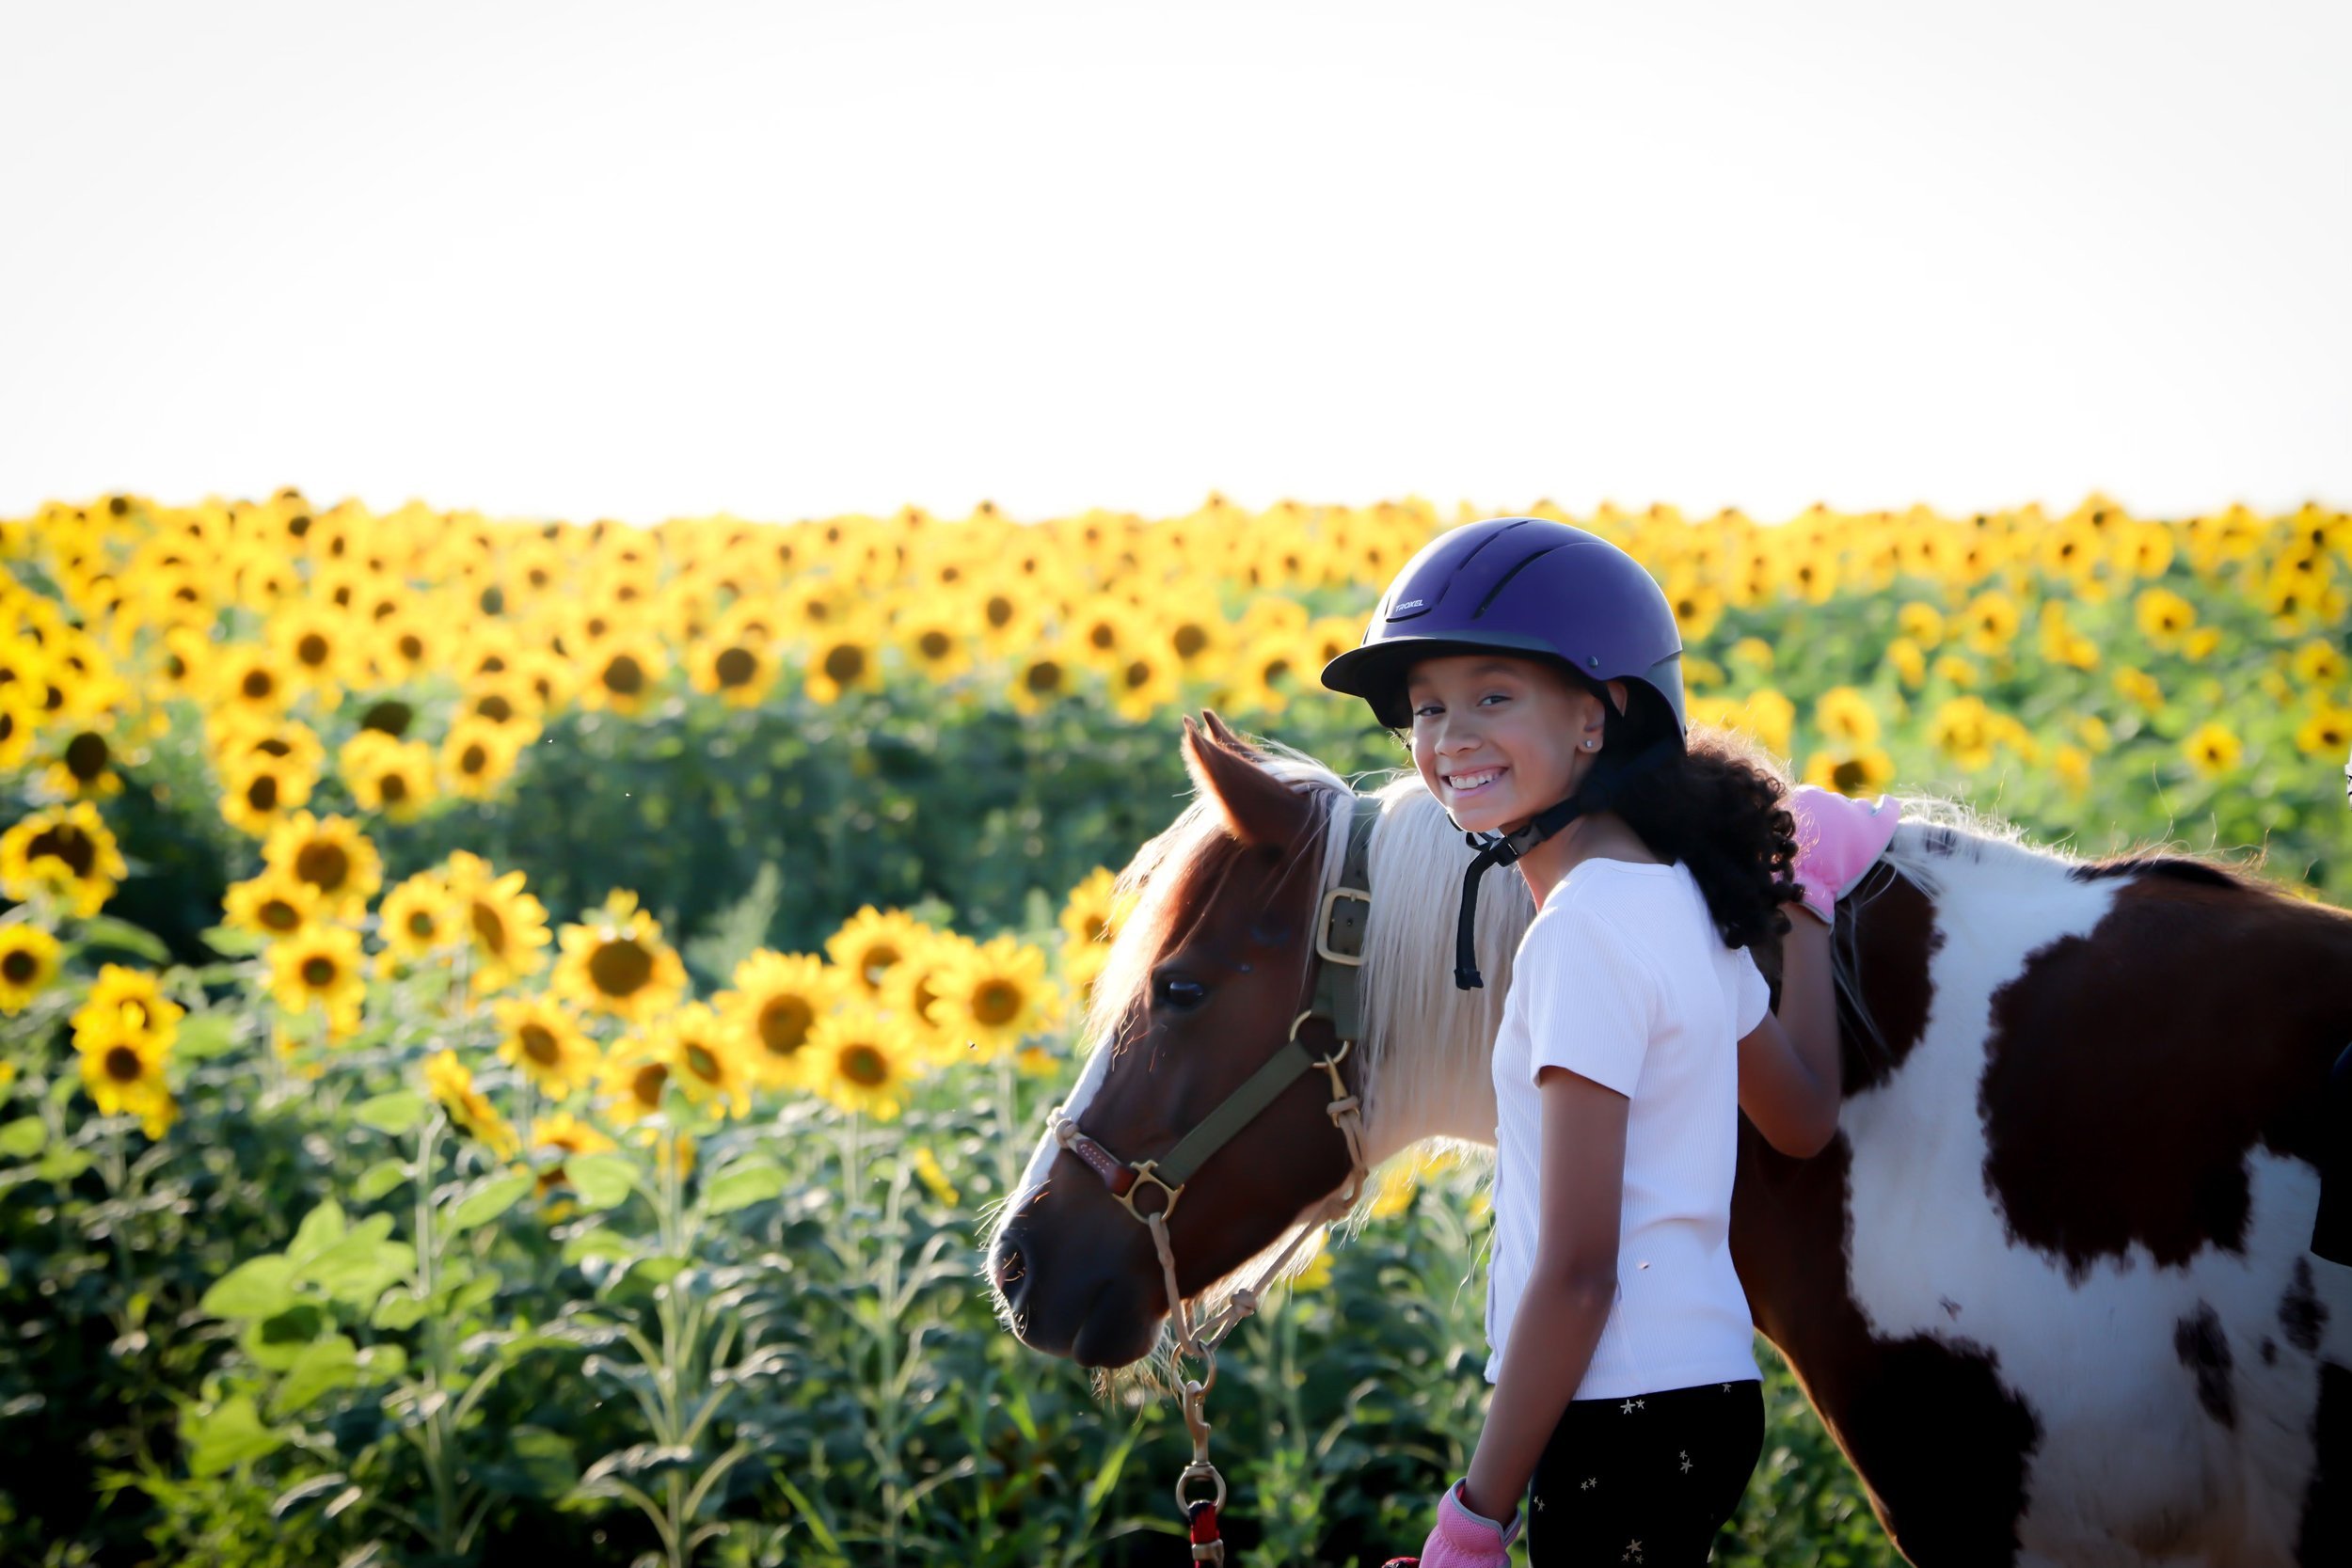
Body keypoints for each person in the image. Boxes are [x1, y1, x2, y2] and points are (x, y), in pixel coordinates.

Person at [1319, 516, 1898, 1568]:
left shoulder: (1579, 932)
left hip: (1617, 1410)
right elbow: (1804, 1118)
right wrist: (1804, 905)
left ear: (1597, 718)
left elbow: (1579, 1270)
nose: (1448, 737)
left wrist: (1471, 1520)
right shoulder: (1677, 900)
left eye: (1493, 696)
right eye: (1427, 707)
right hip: (1707, 1397)